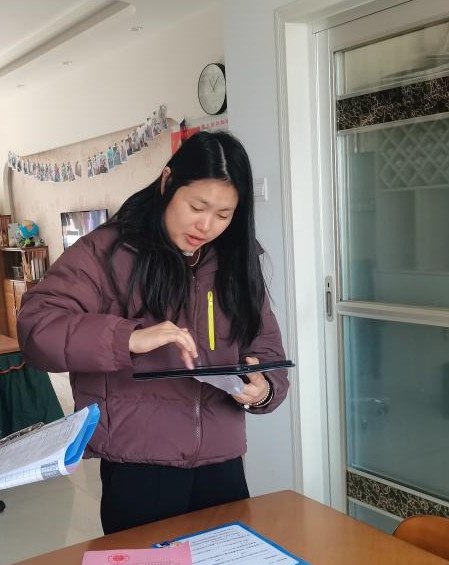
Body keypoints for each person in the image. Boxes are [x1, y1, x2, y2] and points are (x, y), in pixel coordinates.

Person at [18, 131, 290, 534]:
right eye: (196, 206)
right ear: (167, 182)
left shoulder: (236, 259)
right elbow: (36, 327)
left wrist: (264, 389)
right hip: (138, 467)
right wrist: (126, 338)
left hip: (222, 464)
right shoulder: (107, 252)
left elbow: (267, 350)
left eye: (223, 214)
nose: (206, 225)